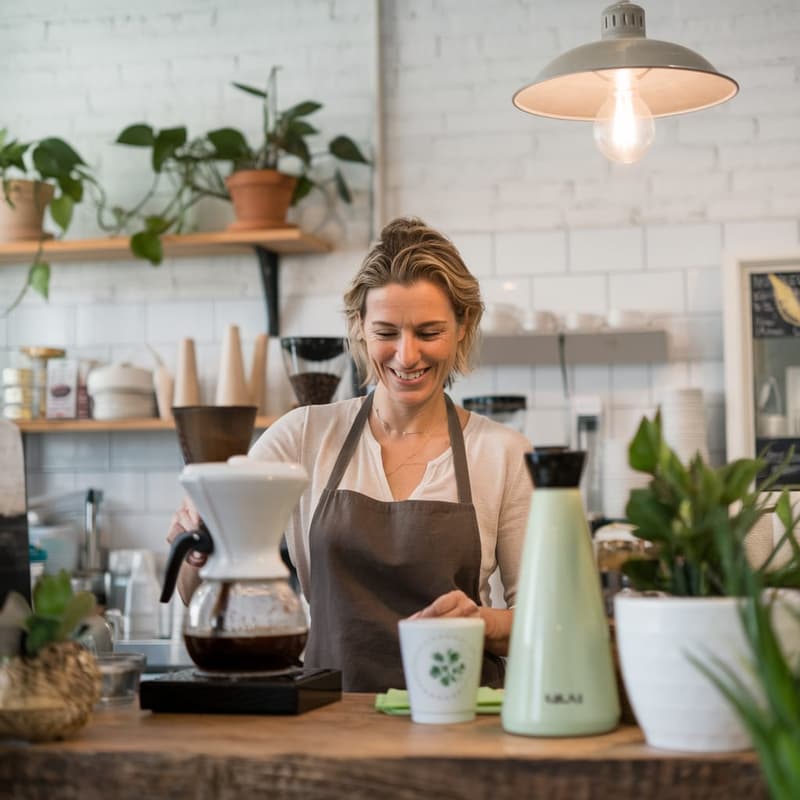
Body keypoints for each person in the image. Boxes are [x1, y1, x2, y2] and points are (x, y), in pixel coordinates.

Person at [168, 217, 533, 692]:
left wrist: (483, 622)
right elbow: (197, 589)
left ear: (463, 325)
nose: (407, 355)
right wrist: (201, 541)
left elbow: (547, 623)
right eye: (387, 332)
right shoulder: (302, 437)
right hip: (328, 716)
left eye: (428, 332)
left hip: (458, 716)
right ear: (359, 327)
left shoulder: (504, 454)